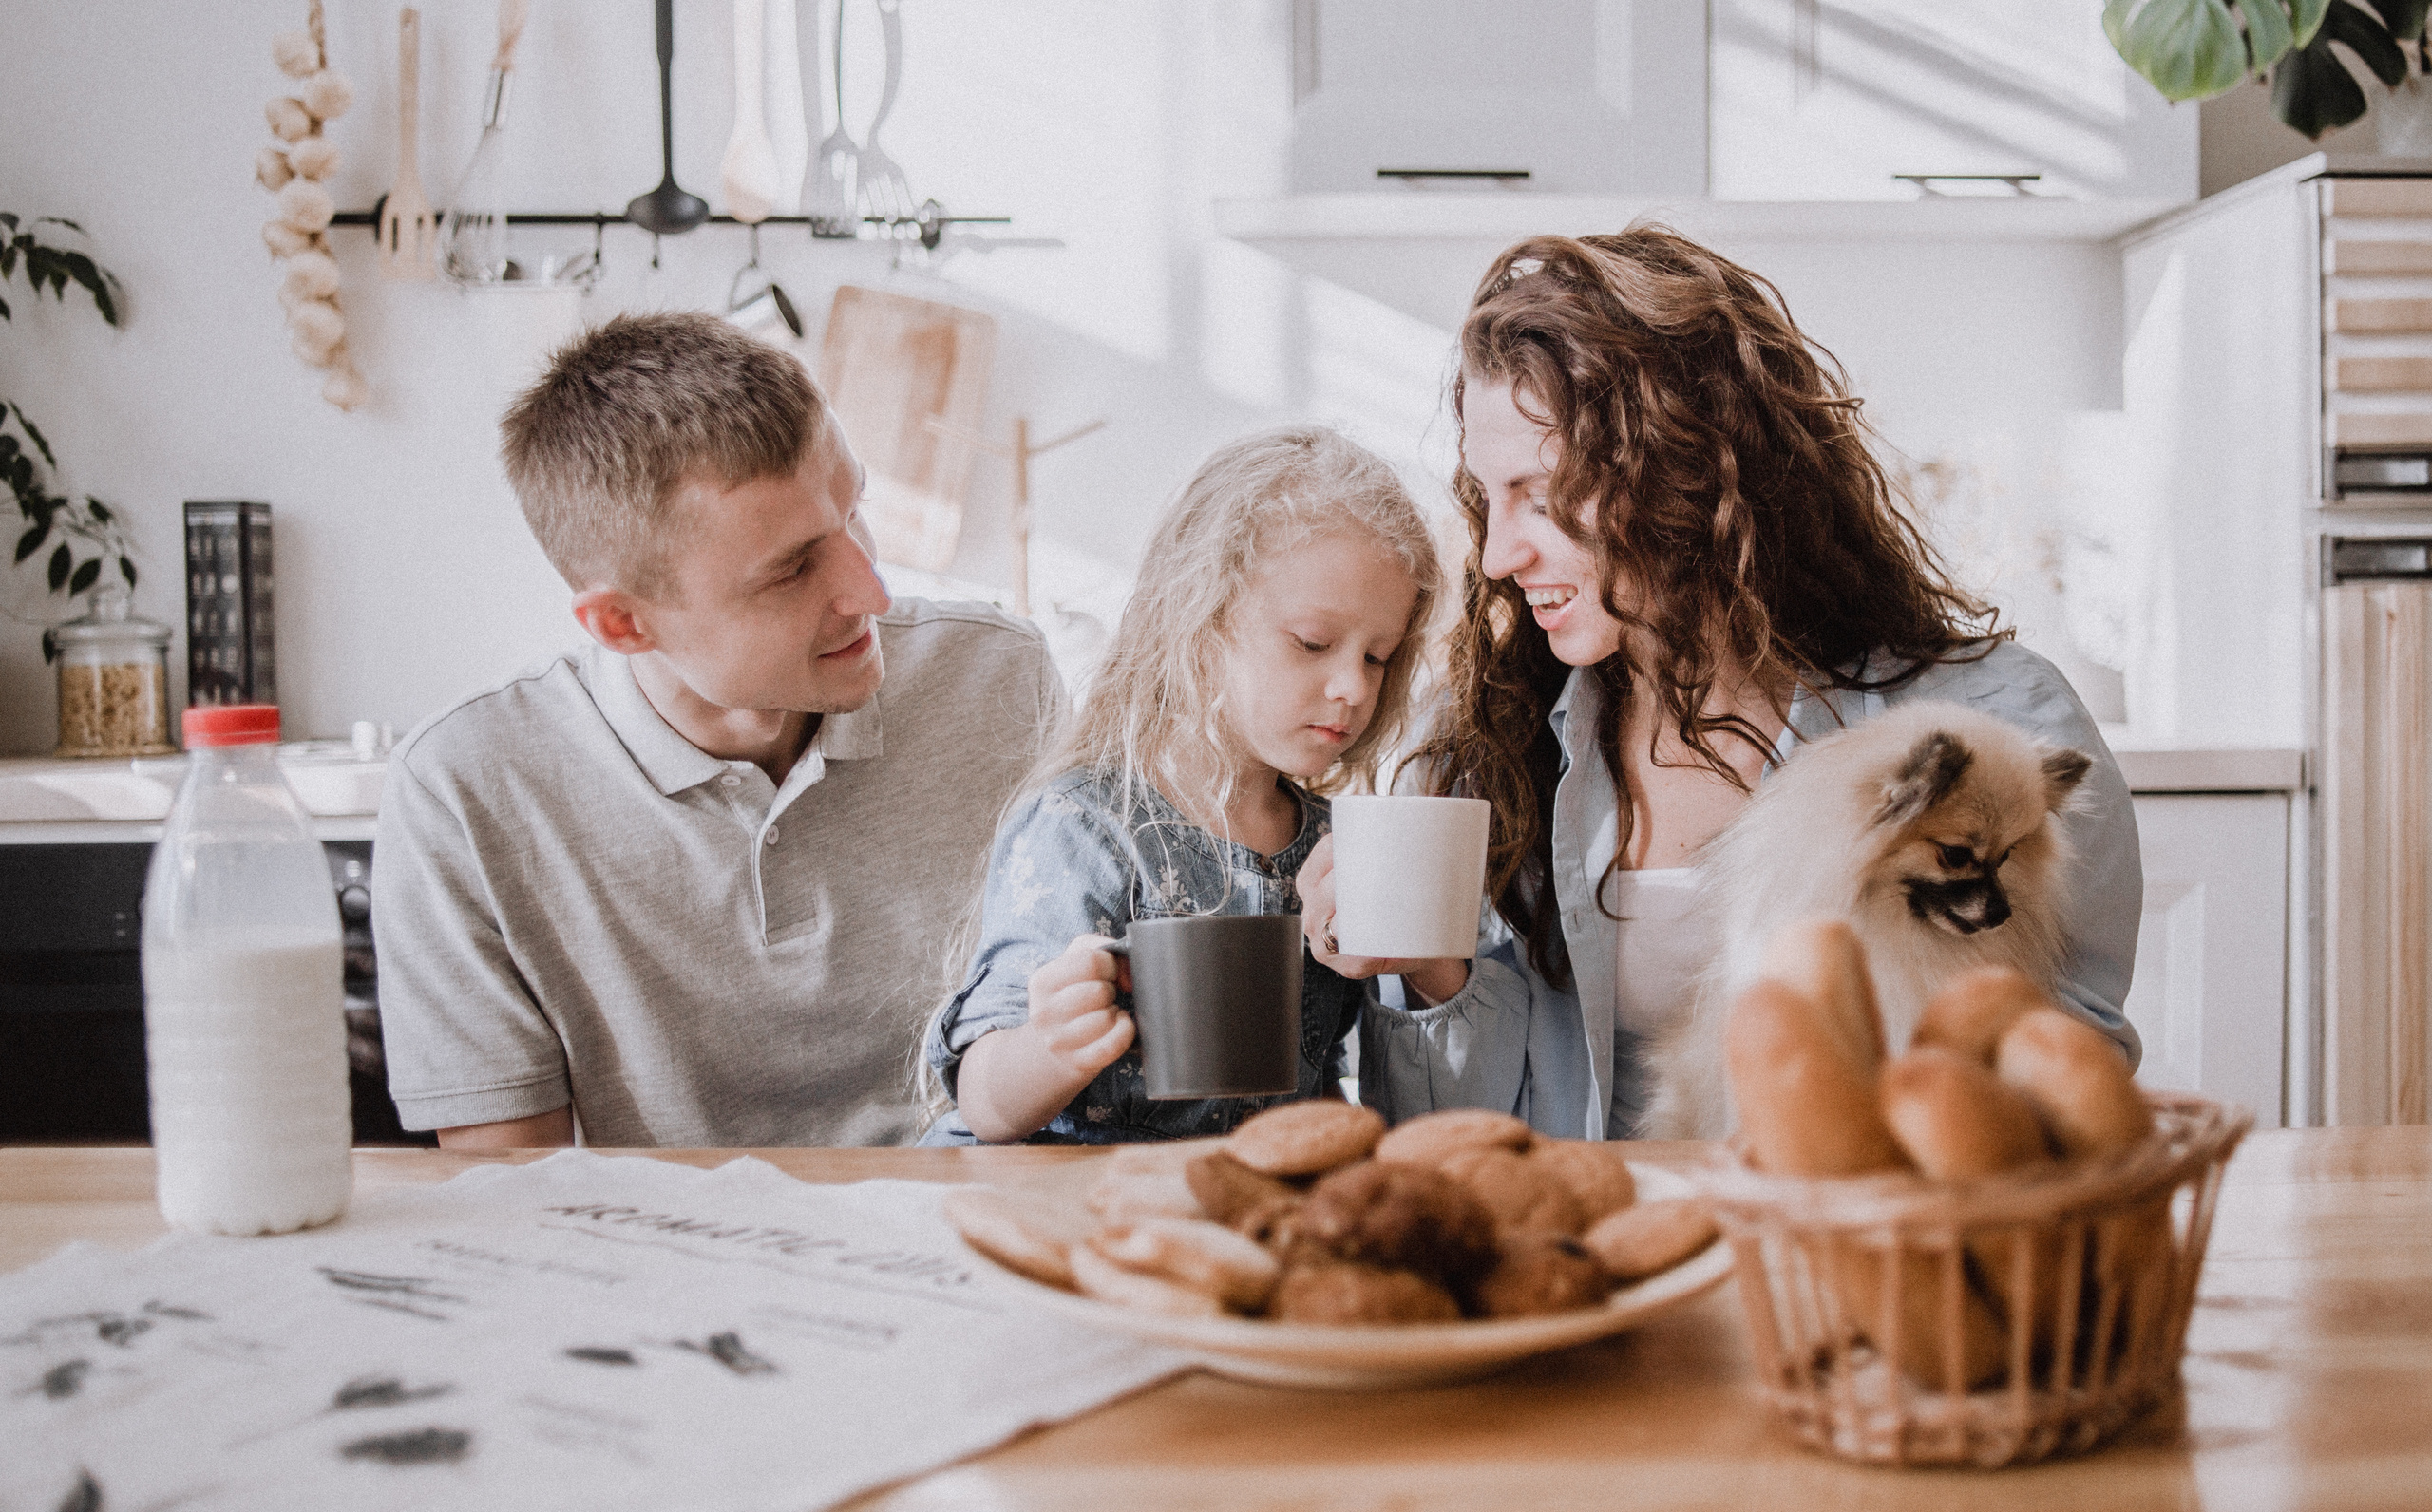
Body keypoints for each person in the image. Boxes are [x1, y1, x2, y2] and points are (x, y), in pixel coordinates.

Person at [1296, 229, 2140, 1140]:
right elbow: (1460, 1150)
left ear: (1687, 466)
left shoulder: (1998, 744)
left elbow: (2067, 1086)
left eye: (1539, 494)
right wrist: (1430, 976)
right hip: (1600, 1261)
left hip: (1859, 1257)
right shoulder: (1483, 755)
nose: (1498, 555)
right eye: (1487, 497)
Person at [373, 312, 1060, 1148]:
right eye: (793, 567)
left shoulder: (1000, 679)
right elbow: (516, 1201)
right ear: (623, 624)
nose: (871, 591)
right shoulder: (463, 791)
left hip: (982, 1247)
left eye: (855, 511)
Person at [922, 426, 1442, 1143]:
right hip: (1068, 1199)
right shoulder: (1085, 826)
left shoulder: (1331, 843)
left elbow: (1360, 1080)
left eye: (1379, 657)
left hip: (1238, 1206)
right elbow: (983, 1103)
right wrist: (1051, 1046)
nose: (1353, 686)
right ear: (1199, 622)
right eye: (1313, 643)